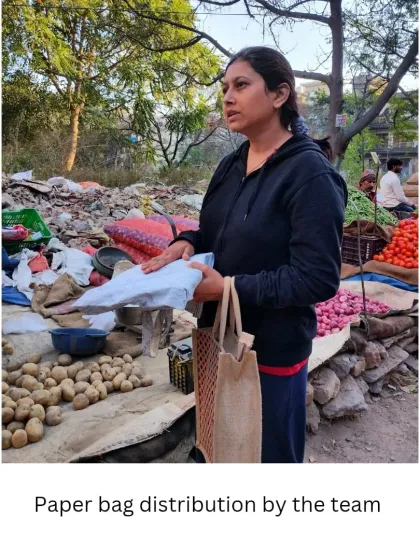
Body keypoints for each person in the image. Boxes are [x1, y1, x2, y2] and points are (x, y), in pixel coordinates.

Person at [142, 46, 347, 463]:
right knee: (220, 447)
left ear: (278, 95)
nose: (228, 97)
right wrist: (188, 242)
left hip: (270, 350)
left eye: (241, 85)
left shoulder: (310, 175)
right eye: (224, 88)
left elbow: (318, 277)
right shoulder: (231, 164)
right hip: (217, 336)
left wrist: (229, 287)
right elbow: (216, 232)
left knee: (265, 456)